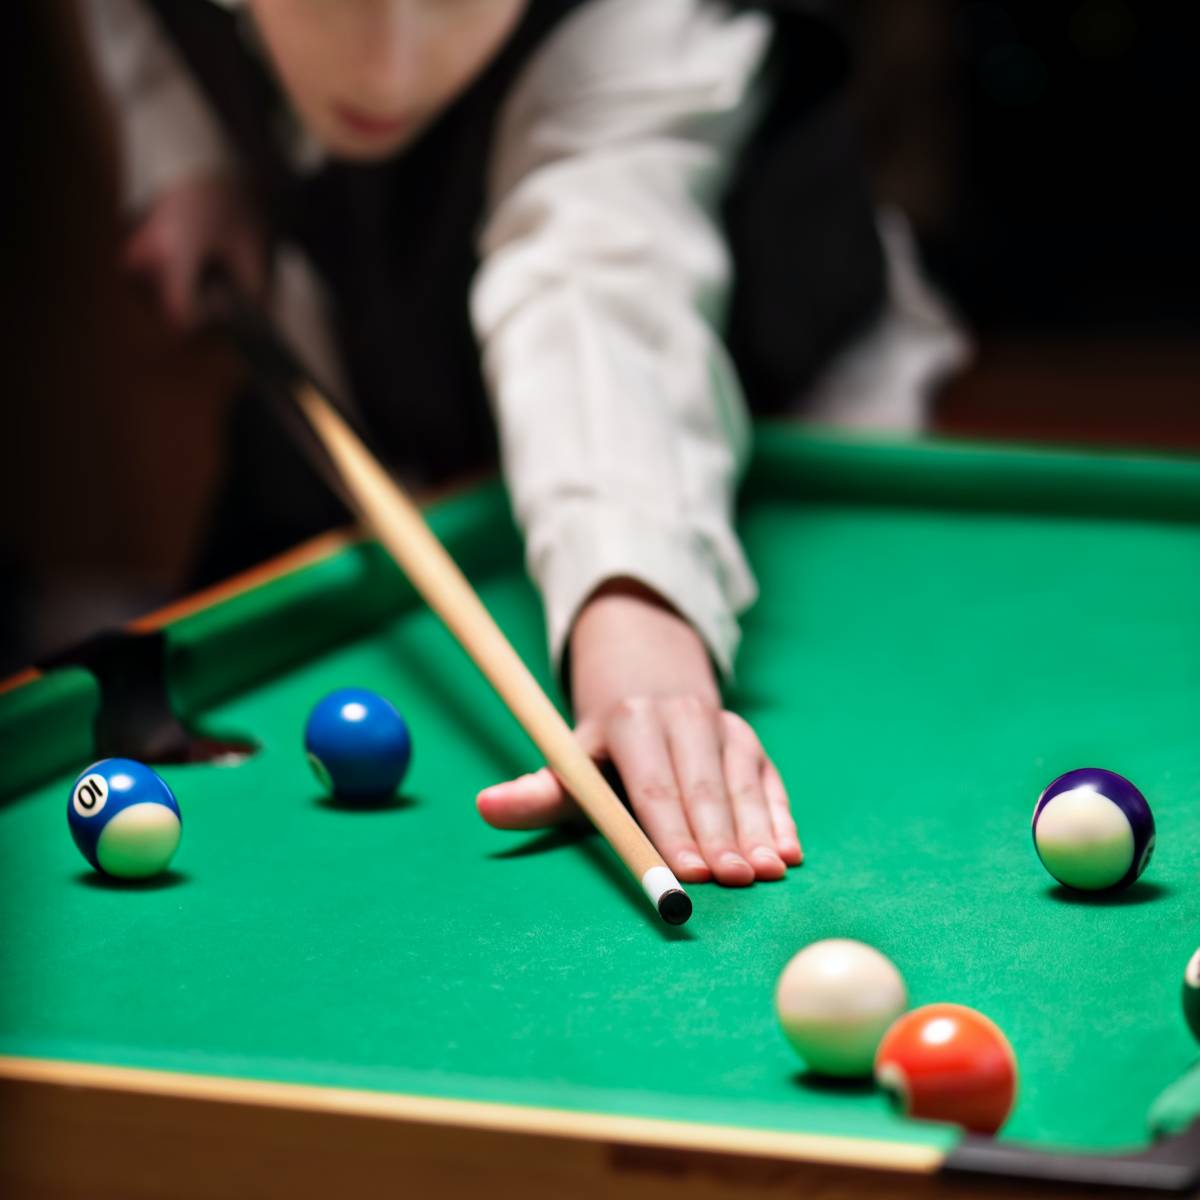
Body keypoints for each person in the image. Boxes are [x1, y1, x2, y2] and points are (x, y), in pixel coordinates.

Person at [82, 0, 965, 888]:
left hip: (776, 392)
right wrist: (187, 151)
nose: (389, 68)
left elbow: (594, 276)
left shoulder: (633, 23)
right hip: (377, 373)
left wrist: (634, 614)